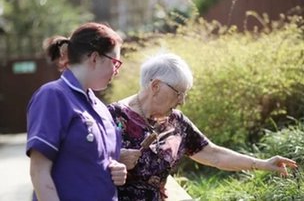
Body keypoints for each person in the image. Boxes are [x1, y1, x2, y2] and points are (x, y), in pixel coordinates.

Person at [107, 53, 298, 201]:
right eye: (178, 93)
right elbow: (80, 165)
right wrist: (115, 158)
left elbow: (213, 154)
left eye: (185, 94)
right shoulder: (110, 117)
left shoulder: (176, 122)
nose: (182, 101)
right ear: (156, 85)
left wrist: (262, 164)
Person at [26, 22, 127, 201]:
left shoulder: (101, 108)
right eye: (115, 63)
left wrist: (117, 168)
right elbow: (39, 172)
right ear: (95, 58)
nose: (116, 71)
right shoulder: (53, 96)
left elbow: (95, 162)